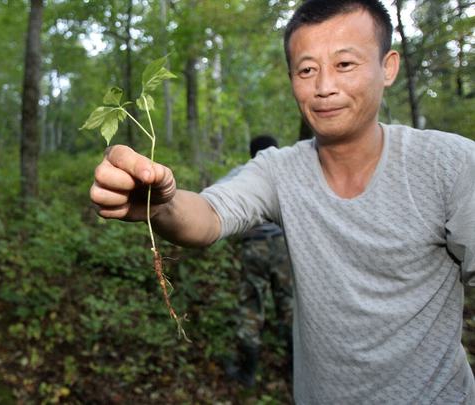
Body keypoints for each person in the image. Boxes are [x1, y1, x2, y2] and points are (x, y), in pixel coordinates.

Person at [89, 0, 475, 403]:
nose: (324, 86)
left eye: (345, 65)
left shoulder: (450, 167)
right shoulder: (278, 171)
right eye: (307, 69)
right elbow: (208, 216)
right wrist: (158, 205)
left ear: (388, 67)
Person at [220, 135, 293, 388]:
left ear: (252, 154)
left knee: (251, 305)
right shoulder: (289, 173)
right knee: (290, 305)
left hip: (254, 247)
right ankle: (295, 371)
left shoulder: (242, 173)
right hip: (285, 247)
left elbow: (212, 200)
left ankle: (247, 372)